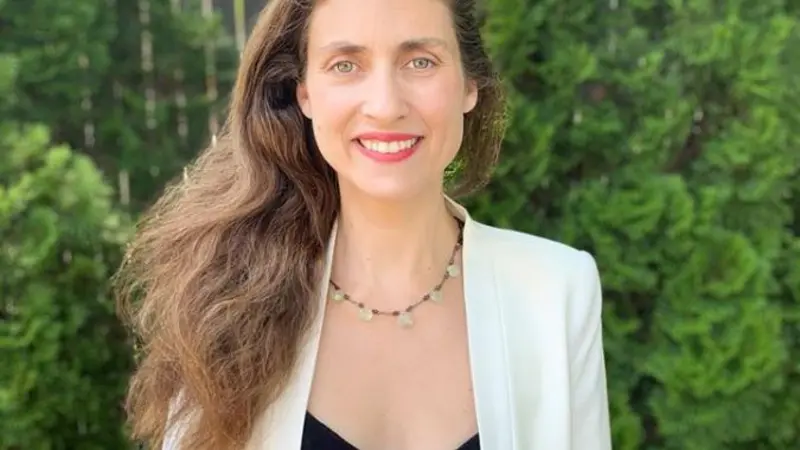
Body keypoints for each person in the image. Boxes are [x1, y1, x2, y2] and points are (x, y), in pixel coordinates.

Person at [115, 0, 612, 448]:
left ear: (469, 86)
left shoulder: (559, 288)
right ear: (305, 94)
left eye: (420, 61)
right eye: (345, 64)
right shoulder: (223, 298)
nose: (386, 106)